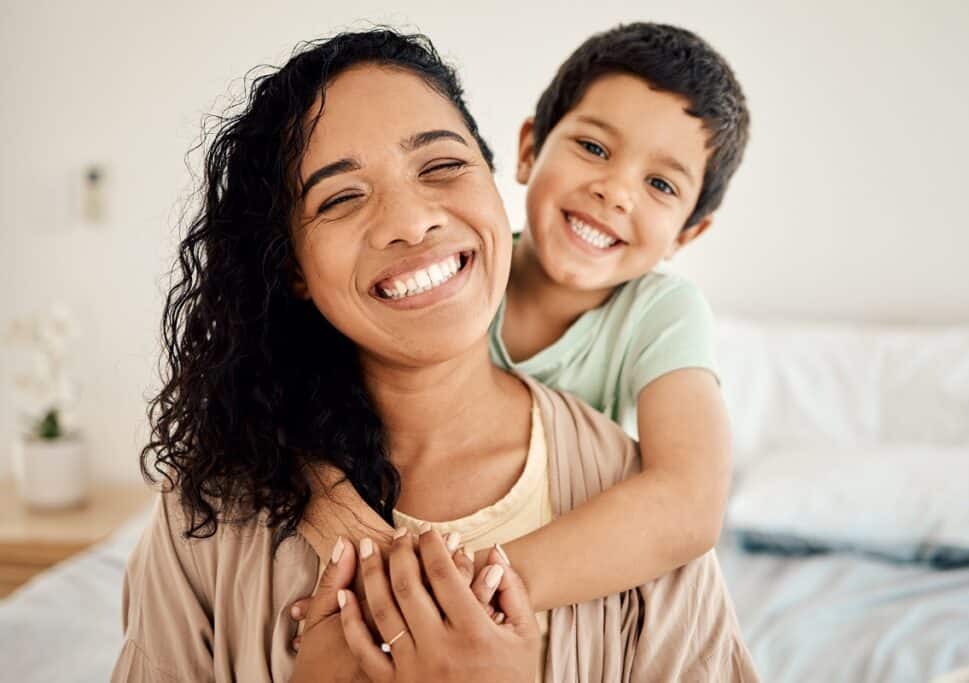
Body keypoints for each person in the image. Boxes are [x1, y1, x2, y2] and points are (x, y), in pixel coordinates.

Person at [113, 27, 757, 682]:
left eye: (442, 166)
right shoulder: (211, 507)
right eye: (340, 196)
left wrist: (476, 591)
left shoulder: (637, 488)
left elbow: (689, 498)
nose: (412, 222)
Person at [293, 20, 751, 619]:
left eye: (660, 183)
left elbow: (689, 501)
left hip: (546, 572)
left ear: (688, 232)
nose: (614, 191)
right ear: (530, 148)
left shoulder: (662, 313)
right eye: (594, 148)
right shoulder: (453, 271)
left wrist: (466, 591)